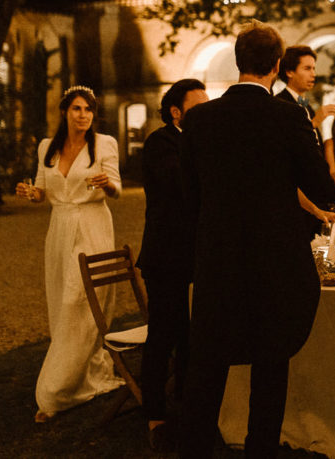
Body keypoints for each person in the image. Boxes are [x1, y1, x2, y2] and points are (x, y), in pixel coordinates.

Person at [178, 22, 335, 458]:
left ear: (239, 60)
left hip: (218, 261)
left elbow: (190, 197)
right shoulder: (289, 116)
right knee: (271, 362)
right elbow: (323, 190)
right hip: (275, 263)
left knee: (207, 366)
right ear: (277, 66)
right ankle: (259, 449)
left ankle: (193, 450)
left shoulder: (200, 120)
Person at [15, 85, 123, 424]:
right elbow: (43, 192)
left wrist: (106, 183)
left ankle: (54, 391)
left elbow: (117, 190)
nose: (84, 116)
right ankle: (82, 372)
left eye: (89, 110)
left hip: (92, 227)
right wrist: (31, 193)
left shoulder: (105, 143)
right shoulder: (47, 146)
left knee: (79, 301)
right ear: (65, 111)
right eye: (77, 109)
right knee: (62, 302)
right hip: (59, 230)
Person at [137, 78, 209, 451]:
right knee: (164, 333)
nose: (205, 113)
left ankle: (185, 401)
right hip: (165, 257)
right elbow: (179, 184)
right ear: (177, 112)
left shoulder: (198, 142)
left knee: (191, 334)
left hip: (194, 255)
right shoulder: (160, 143)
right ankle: (154, 413)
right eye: (198, 108)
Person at [275, 44, 335, 236]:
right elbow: (287, 144)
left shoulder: (307, 105)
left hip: (316, 197)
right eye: (307, 68)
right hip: (297, 197)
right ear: (289, 71)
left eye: (314, 68)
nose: (313, 74)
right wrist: (315, 122)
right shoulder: (281, 103)